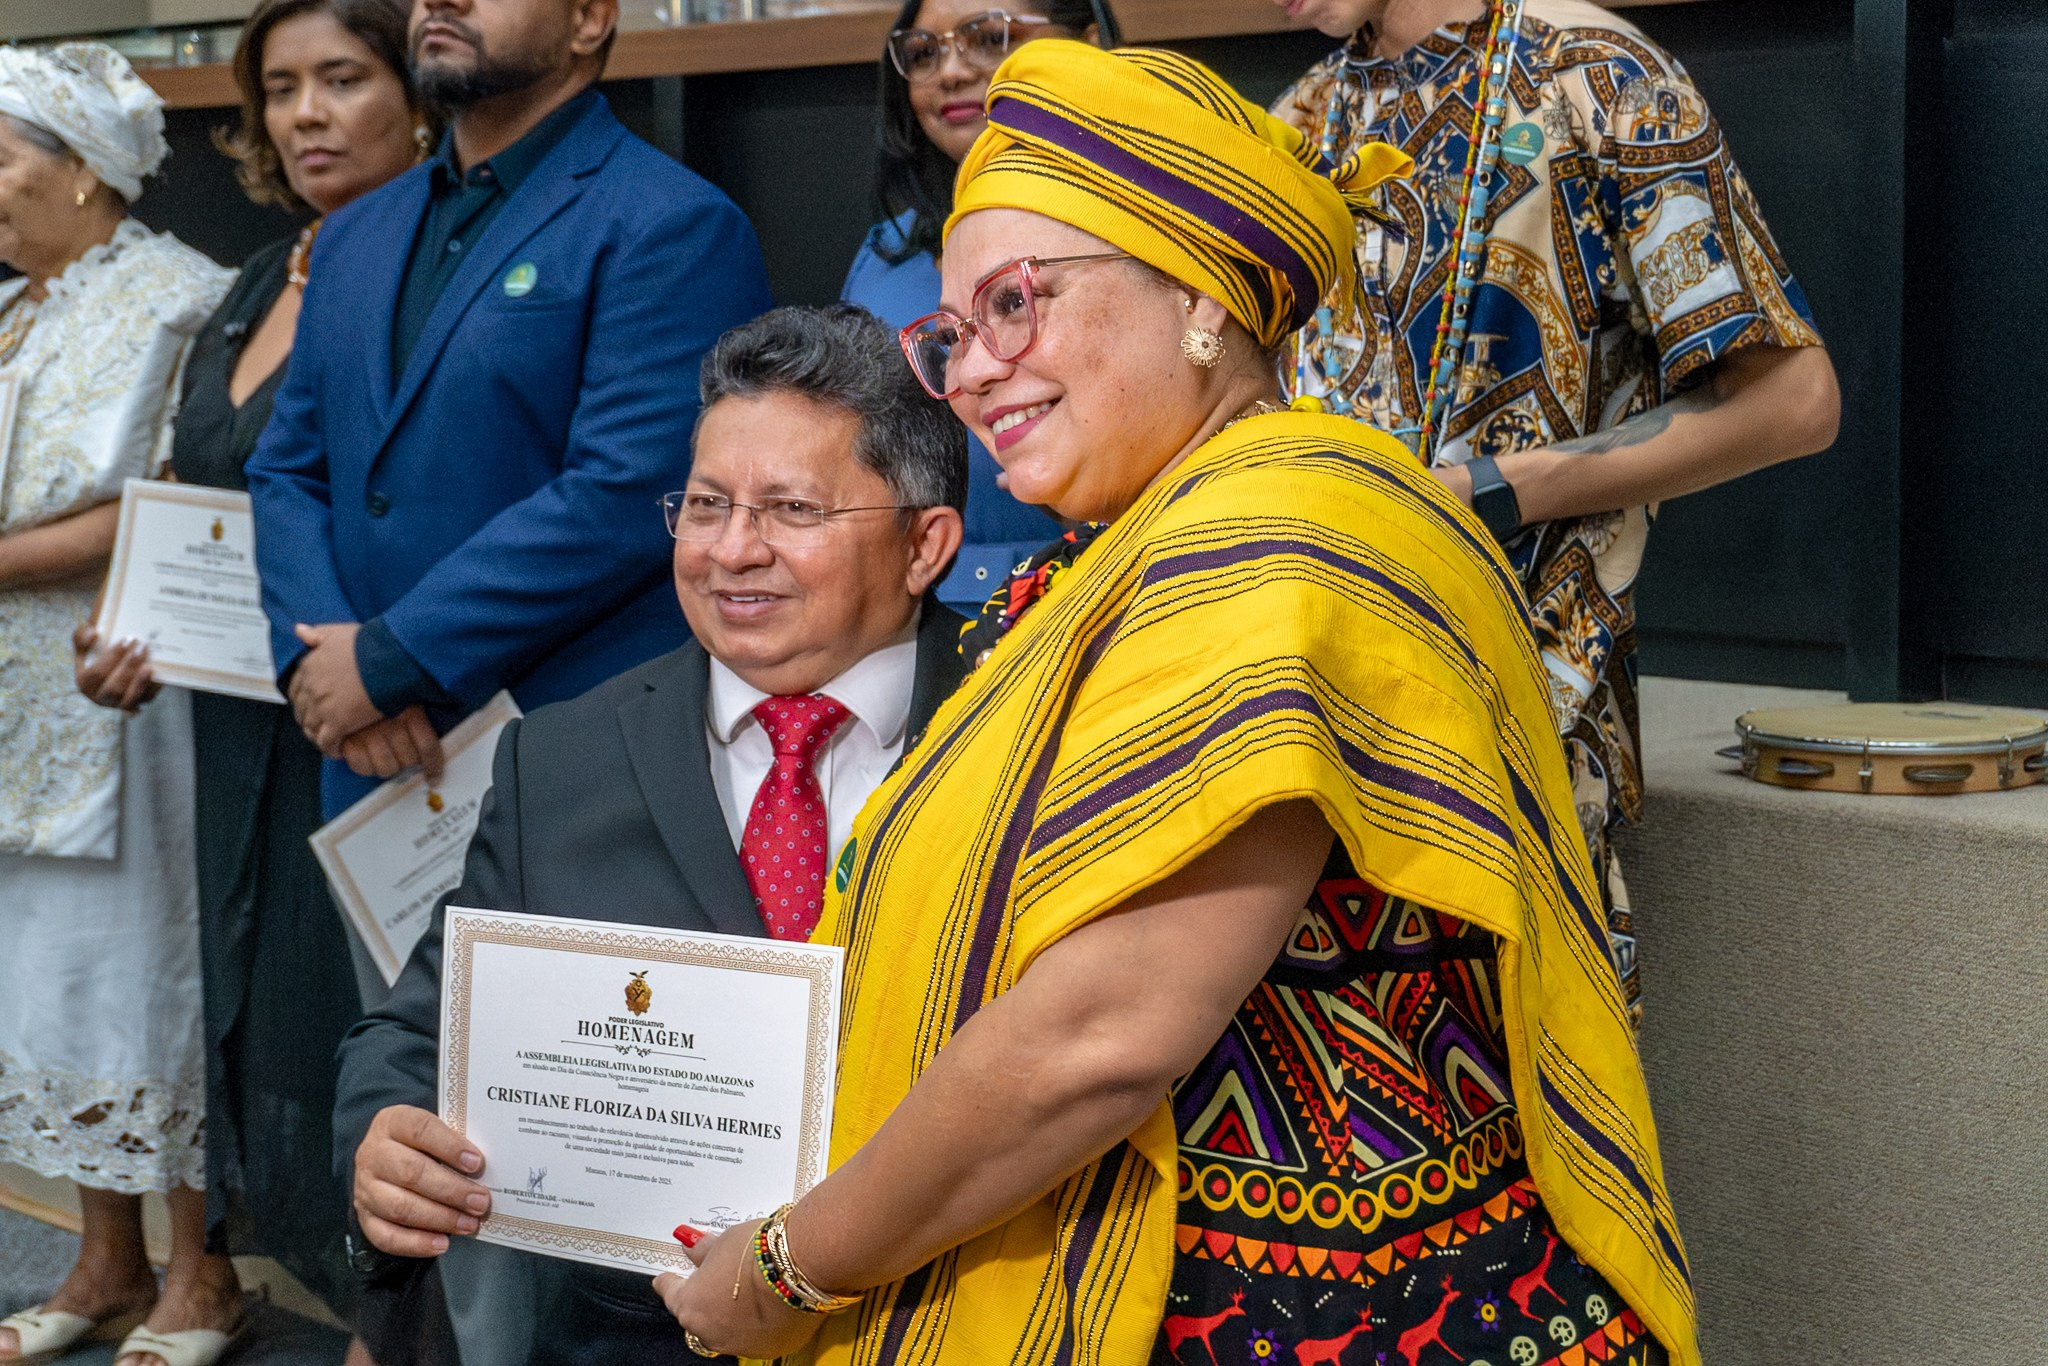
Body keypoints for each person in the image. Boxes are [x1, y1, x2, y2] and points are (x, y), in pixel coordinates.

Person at [652, 41, 1699, 1366]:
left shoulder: (1275, 541)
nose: (970, 372)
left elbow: (1092, 1035)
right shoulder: (1150, 545)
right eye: (950, 332)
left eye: (1016, 304)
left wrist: (794, 1268)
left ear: (1202, 294)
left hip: (1324, 1317)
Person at [333, 304, 970, 1366]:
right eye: (706, 504)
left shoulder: (1025, 729)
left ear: (924, 544)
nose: (731, 551)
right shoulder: (561, 758)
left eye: (790, 510)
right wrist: (383, 1136)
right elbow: (415, 1032)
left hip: (944, 1317)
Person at [1270, 0, 1841, 1021]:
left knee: (1529, 1114)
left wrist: (1495, 490)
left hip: (1526, 707)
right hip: (1306, 708)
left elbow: (1792, 399)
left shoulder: (1597, 74)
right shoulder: (1304, 115)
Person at [72, 3, 433, 1361]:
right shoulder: (258, 272)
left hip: (380, 704)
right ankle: (272, 1281)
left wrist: (373, 662)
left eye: (343, 79)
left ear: (416, 94)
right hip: (234, 711)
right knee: (254, 1014)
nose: (308, 115)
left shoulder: (425, 269)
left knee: (365, 1018)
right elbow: (200, 496)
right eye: (282, 88)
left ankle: (385, 1321)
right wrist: (130, 633)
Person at [245, 0, 772, 829]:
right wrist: (321, 657)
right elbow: (286, 468)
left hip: (567, 753)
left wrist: (391, 659)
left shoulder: (671, 222)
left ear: (589, 20)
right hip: (367, 757)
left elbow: (626, 494)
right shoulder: (354, 232)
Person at [0, 43, 238, 1366]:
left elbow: (169, 493)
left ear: (85, 169)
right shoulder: (15, 311)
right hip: (16, 699)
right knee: (53, 982)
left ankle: (199, 1272)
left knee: (156, 965)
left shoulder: (180, 297)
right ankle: (101, 1255)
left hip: (133, 688)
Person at [842, 0, 1118, 610]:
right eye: (923, 52)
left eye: (988, 37)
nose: (951, 71)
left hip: (1105, 595)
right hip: (908, 618)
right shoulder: (888, 253)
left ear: (1089, 41)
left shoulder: (1139, 232)